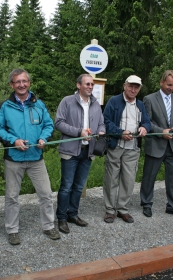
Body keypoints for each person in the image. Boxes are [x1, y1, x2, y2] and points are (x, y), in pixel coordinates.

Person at [0, 68, 60, 245]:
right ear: (12, 85)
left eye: (24, 81)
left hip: (36, 158)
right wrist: (13, 140)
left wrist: (43, 137)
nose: (22, 85)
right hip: (13, 159)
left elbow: (49, 125)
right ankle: (12, 230)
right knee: (12, 197)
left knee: (46, 194)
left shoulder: (39, 104)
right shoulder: (5, 106)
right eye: (18, 82)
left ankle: (48, 226)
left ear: (29, 83)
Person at [54, 74, 106, 234]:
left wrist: (101, 131)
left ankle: (73, 214)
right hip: (70, 151)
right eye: (87, 84)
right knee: (66, 187)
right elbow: (59, 123)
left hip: (88, 151)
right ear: (78, 85)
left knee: (78, 187)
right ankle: (61, 218)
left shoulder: (96, 104)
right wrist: (79, 132)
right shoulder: (67, 101)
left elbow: (101, 122)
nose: (90, 86)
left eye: (92, 84)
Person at [140, 70, 173, 218]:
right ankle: (146, 204)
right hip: (156, 144)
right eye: (169, 84)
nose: (171, 88)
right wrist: (161, 131)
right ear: (161, 82)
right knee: (149, 176)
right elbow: (146, 122)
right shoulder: (149, 99)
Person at [102, 75, 151, 223]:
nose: (133, 89)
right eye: (131, 86)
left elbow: (147, 122)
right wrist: (120, 133)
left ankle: (122, 209)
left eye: (136, 87)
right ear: (124, 86)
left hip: (133, 148)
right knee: (111, 179)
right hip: (116, 146)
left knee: (128, 180)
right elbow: (105, 121)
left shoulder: (140, 105)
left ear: (139, 89)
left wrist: (144, 127)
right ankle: (110, 210)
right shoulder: (114, 101)